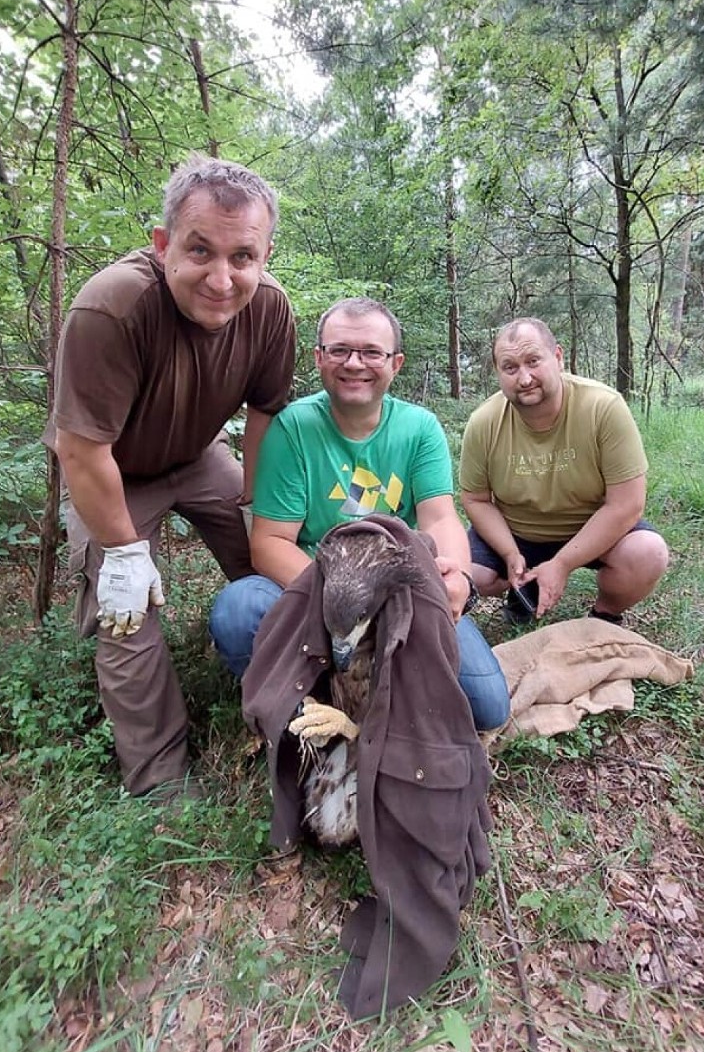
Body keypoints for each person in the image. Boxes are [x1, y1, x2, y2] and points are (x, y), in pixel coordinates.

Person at [45, 154, 296, 798]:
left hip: (199, 454)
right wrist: (126, 555)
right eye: (199, 250)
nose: (221, 277)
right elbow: (82, 451)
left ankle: (296, 684)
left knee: (268, 554)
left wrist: (254, 496)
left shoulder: (269, 310)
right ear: (163, 247)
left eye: (243, 256)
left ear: (265, 254)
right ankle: (159, 776)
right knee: (125, 610)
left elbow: (266, 408)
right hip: (113, 471)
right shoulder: (114, 307)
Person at [209, 297, 510, 731]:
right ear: (319, 358)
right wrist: (347, 607)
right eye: (339, 350)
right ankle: (304, 714)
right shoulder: (292, 428)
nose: (355, 364)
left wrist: (457, 578)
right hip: (315, 586)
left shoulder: (420, 428)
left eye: (371, 352)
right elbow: (270, 544)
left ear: (396, 363)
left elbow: (440, 518)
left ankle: (374, 698)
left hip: (400, 591)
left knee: (487, 707)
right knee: (239, 611)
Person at [460, 317, 668, 624]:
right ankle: (523, 590)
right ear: (498, 373)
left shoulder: (603, 407)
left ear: (557, 358)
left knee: (647, 553)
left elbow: (627, 504)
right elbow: (475, 499)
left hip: (590, 528)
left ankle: (605, 615)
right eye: (510, 367)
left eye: (534, 361)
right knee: (464, 572)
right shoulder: (484, 423)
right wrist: (508, 553)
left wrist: (563, 563)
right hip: (516, 532)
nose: (525, 378)